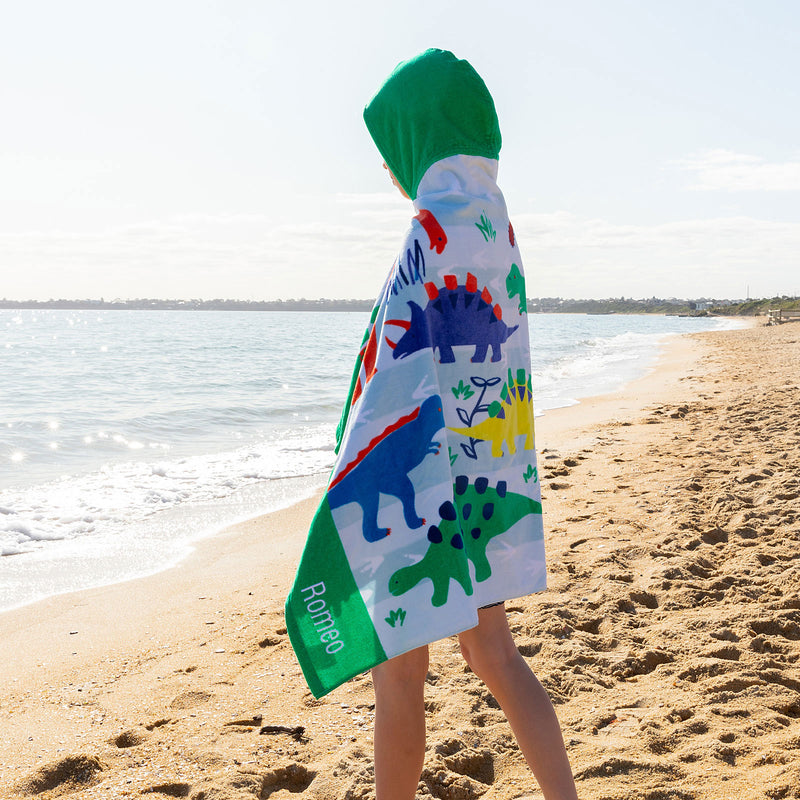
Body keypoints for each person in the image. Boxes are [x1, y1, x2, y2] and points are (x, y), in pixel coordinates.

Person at [286, 47, 578, 800]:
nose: (389, 170)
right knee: (497, 653)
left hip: (425, 480)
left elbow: (395, 373)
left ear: (418, 140)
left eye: (392, 150)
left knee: (399, 675)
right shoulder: (494, 226)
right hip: (486, 468)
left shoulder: (430, 233)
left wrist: (349, 477)